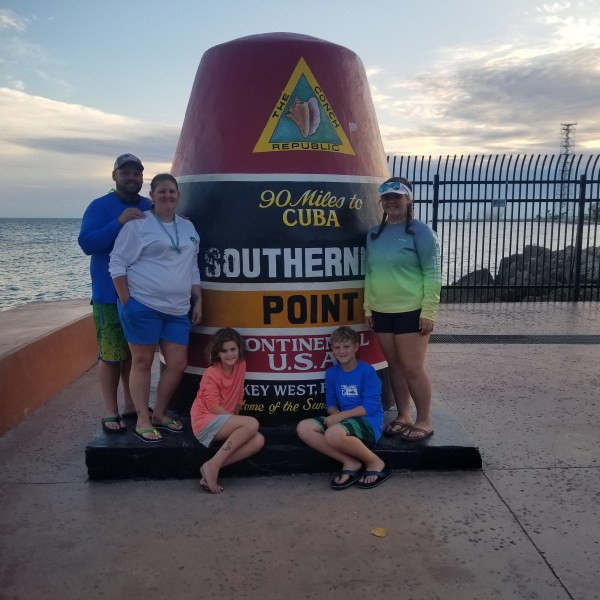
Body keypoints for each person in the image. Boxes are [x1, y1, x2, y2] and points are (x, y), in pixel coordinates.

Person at [109, 173, 202, 442]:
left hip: (177, 310)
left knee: (177, 364)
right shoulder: (138, 225)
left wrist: (199, 299)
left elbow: (192, 265)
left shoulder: (188, 227)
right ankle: (142, 419)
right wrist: (127, 301)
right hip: (143, 305)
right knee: (142, 361)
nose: (167, 196)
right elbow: (117, 263)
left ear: (179, 196)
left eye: (172, 191)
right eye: (161, 191)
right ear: (152, 195)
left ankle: (160, 413)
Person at [364, 176, 441, 442]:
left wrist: (428, 311)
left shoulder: (422, 232)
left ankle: (424, 420)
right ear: (381, 202)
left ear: (408, 199)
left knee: (412, 368)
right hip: (381, 310)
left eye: (397, 196)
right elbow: (370, 273)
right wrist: (368, 307)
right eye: (386, 197)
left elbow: (432, 273)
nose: (391, 201)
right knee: (394, 366)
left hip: (411, 309)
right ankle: (404, 415)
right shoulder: (374, 235)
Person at [79, 153, 152, 433]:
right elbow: (87, 243)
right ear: (114, 176)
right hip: (109, 296)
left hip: (143, 296)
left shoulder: (149, 205)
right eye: (126, 173)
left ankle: (132, 405)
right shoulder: (99, 207)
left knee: (136, 355)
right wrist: (118, 222)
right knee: (111, 355)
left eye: (137, 173)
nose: (132, 178)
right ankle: (110, 411)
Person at [296, 326, 391, 490]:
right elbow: (331, 403)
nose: (342, 351)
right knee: (303, 427)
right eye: (337, 347)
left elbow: (371, 406)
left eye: (346, 346)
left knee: (333, 433)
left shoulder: (367, 371)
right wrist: (335, 414)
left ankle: (375, 462)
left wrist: (340, 418)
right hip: (345, 420)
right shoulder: (332, 373)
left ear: (356, 347)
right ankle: (349, 461)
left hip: (368, 421)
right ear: (332, 349)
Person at [190, 327, 265, 494]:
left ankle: (212, 465)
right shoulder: (211, 373)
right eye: (224, 351)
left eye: (233, 349)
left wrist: (236, 420)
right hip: (205, 421)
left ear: (239, 348)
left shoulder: (241, 364)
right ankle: (213, 466)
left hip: (223, 419)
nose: (230, 354)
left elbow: (239, 393)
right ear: (217, 353)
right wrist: (236, 421)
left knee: (258, 440)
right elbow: (212, 406)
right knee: (252, 423)